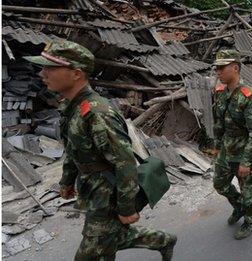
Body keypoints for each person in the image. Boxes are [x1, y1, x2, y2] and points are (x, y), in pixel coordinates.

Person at [25, 40, 177, 261]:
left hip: (109, 192)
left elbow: (124, 162)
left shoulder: (97, 113)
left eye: (50, 68)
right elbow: (72, 148)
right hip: (92, 189)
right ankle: (163, 240)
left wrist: (126, 207)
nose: (42, 74)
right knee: (110, 238)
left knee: (91, 253)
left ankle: (162, 240)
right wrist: (67, 181)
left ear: (76, 74)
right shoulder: (71, 106)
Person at [212, 50, 252, 240]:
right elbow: (218, 122)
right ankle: (240, 207)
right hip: (226, 149)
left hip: (244, 152)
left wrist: (246, 161)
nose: (218, 72)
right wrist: (217, 146)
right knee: (220, 184)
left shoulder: (249, 96)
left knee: (249, 191)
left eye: (222, 68)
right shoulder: (220, 93)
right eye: (216, 68)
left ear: (235, 68)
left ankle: (250, 220)